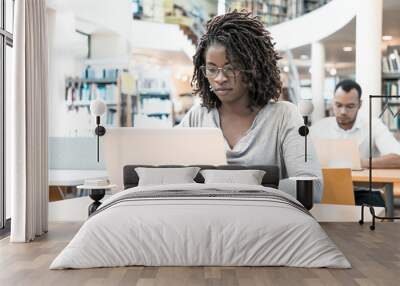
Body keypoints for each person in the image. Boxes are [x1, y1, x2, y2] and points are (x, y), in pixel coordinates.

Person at [178, 11, 323, 202]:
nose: (220, 78)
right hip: (207, 222)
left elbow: (311, 190)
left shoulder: (284, 116)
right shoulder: (197, 117)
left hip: (266, 224)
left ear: (253, 68)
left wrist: (232, 186)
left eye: (231, 68)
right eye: (212, 69)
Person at [311, 79, 400, 206]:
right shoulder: (319, 127)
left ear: (360, 104)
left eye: (350, 106)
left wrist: (359, 162)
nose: (343, 112)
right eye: (338, 105)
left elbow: (398, 157)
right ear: (332, 103)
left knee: (370, 211)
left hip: (364, 192)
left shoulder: (373, 125)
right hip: (326, 190)